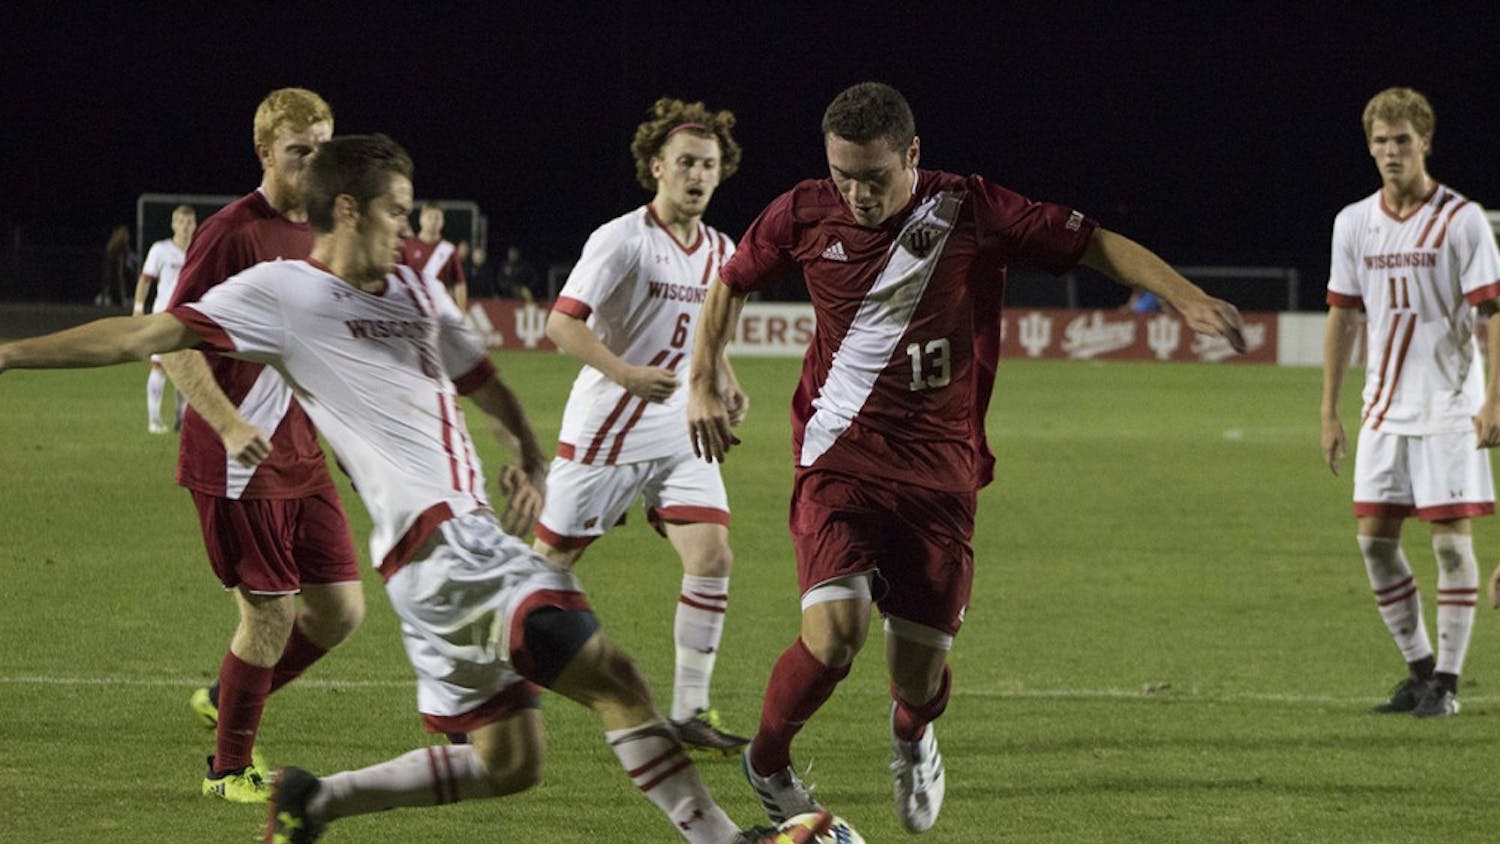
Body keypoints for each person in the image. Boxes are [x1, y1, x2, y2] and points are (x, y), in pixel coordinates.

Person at [0, 133, 829, 844]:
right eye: (396, 209)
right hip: (442, 544)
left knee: (510, 765)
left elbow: (480, 377)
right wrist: (10, 353)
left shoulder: (413, 285)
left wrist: (529, 452)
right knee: (613, 676)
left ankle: (315, 800)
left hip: (445, 556)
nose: (411, 225)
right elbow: (144, 333)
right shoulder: (280, 295)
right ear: (351, 209)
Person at [686, 81, 1245, 833]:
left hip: (941, 474)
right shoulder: (802, 211)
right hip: (837, 457)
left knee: (916, 676)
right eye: (843, 175)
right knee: (837, 632)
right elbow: (731, 282)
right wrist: (703, 378)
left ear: (913, 155)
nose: (856, 194)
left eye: (874, 177)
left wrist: (1183, 295)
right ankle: (769, 759)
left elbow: (1094, 243)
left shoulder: (971, 209)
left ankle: (913, 733)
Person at [155, 87, 360, 803]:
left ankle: (230, 691)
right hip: (238, 461)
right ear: (265, 152)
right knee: (268, 613)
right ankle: (226, 769)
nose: (313, 162)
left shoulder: (329, 231)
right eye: (299, 150)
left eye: (322, 149)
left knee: (340, 612)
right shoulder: (231, 233)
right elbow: (173, 344)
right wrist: (227, 421)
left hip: (300, 454)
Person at [535, 97, 750, 754]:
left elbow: (708, 337)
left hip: (681, 425)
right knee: (548, 567)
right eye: (686, 162)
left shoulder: (723, 249)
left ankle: (689, 710)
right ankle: (483, 685)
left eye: (709, 165)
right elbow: (561, 323)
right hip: (611, 423)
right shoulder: (620, 239)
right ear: (657, 166)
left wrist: (723, 377)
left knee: (712, 555)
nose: (697, 175)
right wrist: (624, 372)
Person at [1320, 87, 1500, 719]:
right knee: (1374, 542)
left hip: (1451, 405)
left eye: (1402, 140)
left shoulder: (1462, 218)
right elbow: (1343, 317)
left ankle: (1447, 686)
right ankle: (1420, 673)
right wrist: (1329, 411)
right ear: (1369, 147)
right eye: (1380, 141)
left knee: (1451, 544)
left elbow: (1492, 312)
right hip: (1381, 409)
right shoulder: (1354, 222)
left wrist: (1493, 400)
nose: (1391, 151)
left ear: (1425, 142)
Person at [132, 204, 197, 433]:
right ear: (173, 224)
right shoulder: (160, 250)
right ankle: (154, 420)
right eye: (180, 221)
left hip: (190, 318)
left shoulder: (200, 250)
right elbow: (145, 279)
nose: (185, 227)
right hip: (164, 316)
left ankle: (181, 418)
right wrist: (139, 308)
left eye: (189, 222)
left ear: (195, 224)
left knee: (188, 370)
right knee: (160, 367)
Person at [401, 202, 468, 311]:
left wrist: (462, 312)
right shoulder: (407, 246)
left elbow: (459, 283)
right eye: (429, 217)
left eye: (437, 218)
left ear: (442, 222)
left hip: (439, 309)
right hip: (412, 308)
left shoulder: (449, 249)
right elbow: (398, 279)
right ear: (421, 219)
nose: (433, 221)